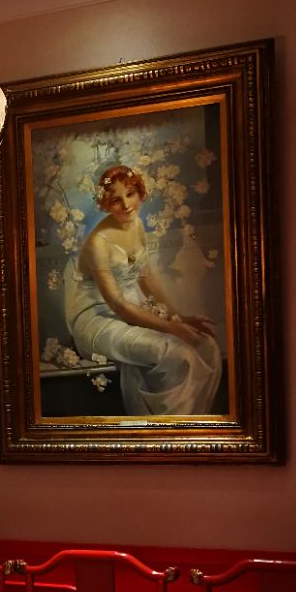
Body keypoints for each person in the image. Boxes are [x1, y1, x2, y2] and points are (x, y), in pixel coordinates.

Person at [64, 165, 222, 415]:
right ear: (106, 205)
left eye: (130, 194)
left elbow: (146, 280)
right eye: (116, 200)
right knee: (177, 353)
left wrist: (179, 317)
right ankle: (166, 430)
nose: (126, 205)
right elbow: (117, 304)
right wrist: (171, 328)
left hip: (129, 313)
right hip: (98, 321)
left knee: (206, 347)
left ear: (140, 193)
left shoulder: (136, 226)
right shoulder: (98, 243)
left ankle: (185, 427)